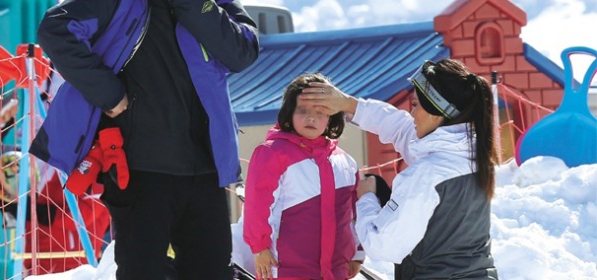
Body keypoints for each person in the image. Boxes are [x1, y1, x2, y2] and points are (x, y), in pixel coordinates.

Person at [35, 0, 259, 279]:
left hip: (207, 169)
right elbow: (55, 28)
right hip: (139, 168)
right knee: (142, 272)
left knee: (211, 272)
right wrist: (108, 93)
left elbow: (242, 52)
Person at [300, 59, 499, 279]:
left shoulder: (426, 174)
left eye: (415, 105)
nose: (410, 113)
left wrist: (366, 198)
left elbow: (382, 244)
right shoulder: (470, 154)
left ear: (436, 112)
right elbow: (400, 127)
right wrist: (349, 104)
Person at [243, 73, 365, 280]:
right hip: (287, 267)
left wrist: (357, 252)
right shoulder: (273, 153)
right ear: (289, 113)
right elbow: (257, 204)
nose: (311, 118)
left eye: (320, 112)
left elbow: (353, 213)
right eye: (303, 111)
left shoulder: (345, 162)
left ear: (331, 116)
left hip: (336, 268)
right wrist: (259, 247)